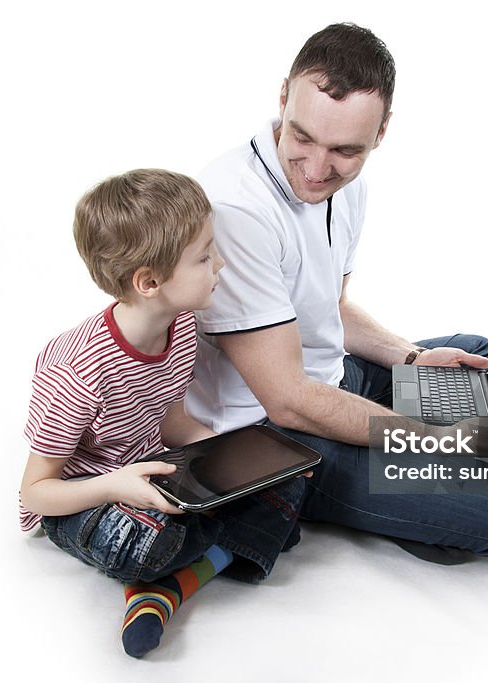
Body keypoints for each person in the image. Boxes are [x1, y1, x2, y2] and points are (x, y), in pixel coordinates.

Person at [185, 23, 488, 561]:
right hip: (271, 432)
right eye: (302, 137)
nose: (317, 168)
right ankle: (346, 492)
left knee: (478, 359)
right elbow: (289, 400)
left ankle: (424, 469)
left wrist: (413, 357)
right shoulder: (236, 209)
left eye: (345, 150)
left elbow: (335, 309)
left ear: (381, 132)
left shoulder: (347, 188)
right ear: (283, 98)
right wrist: (436, 438)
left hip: (326, 379)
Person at [18, 169, 304, 658]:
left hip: (154, 473)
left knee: (289, 476)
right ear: (150, 282)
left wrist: (228, 455)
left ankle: (164, 590)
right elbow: (35, 493)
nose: (221, 262)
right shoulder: (77, 373)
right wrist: (117, 486)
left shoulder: (183, 326)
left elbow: (169, 420)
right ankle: (200, 561)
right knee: (148, 542)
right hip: (87, 497)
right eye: (203, 255)